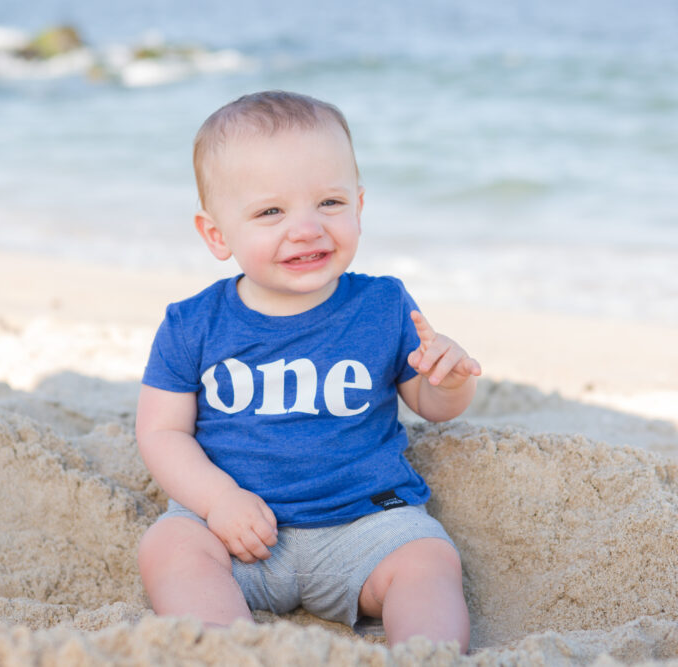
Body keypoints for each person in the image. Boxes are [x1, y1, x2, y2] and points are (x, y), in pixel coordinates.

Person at [135, 90, 481, 648]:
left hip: (365, 526)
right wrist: (217, 500)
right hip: (234, 532)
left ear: (360, 206)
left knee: (429, 559)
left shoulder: (383, 304)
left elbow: (432, 407)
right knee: (168, 548)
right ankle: (228, 649)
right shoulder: (192, 323)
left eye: (330, 203)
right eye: (271, 212)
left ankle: (428, 654)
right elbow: (160, 431)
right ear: (217, 235)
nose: (307, 228)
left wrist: (449, 379)